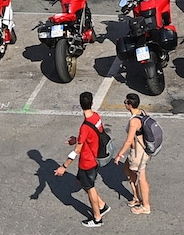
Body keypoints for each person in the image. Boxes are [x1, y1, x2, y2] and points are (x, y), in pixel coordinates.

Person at [58, 92, 109, 226]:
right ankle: (102, 205)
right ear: (91, 103)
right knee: (80, 181)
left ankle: (97, 218)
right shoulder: (96, 117)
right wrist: (78, 139)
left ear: (80, 105)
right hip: (95, 156)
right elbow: (93, 137)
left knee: (90, 187)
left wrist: (64, 166)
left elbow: (77, 151)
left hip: (88, 162)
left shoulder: (85, 127)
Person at [113, 93, 154, 214]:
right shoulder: (142, 112)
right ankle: (136, 197)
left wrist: (119, 154)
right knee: (127, 170)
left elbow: (129, 140)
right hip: (136, 152)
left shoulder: (134, 122)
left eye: (125, 102)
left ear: (130, 105)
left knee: (142, 179)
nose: (124, 104)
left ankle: (146, 206)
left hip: (138, 153)